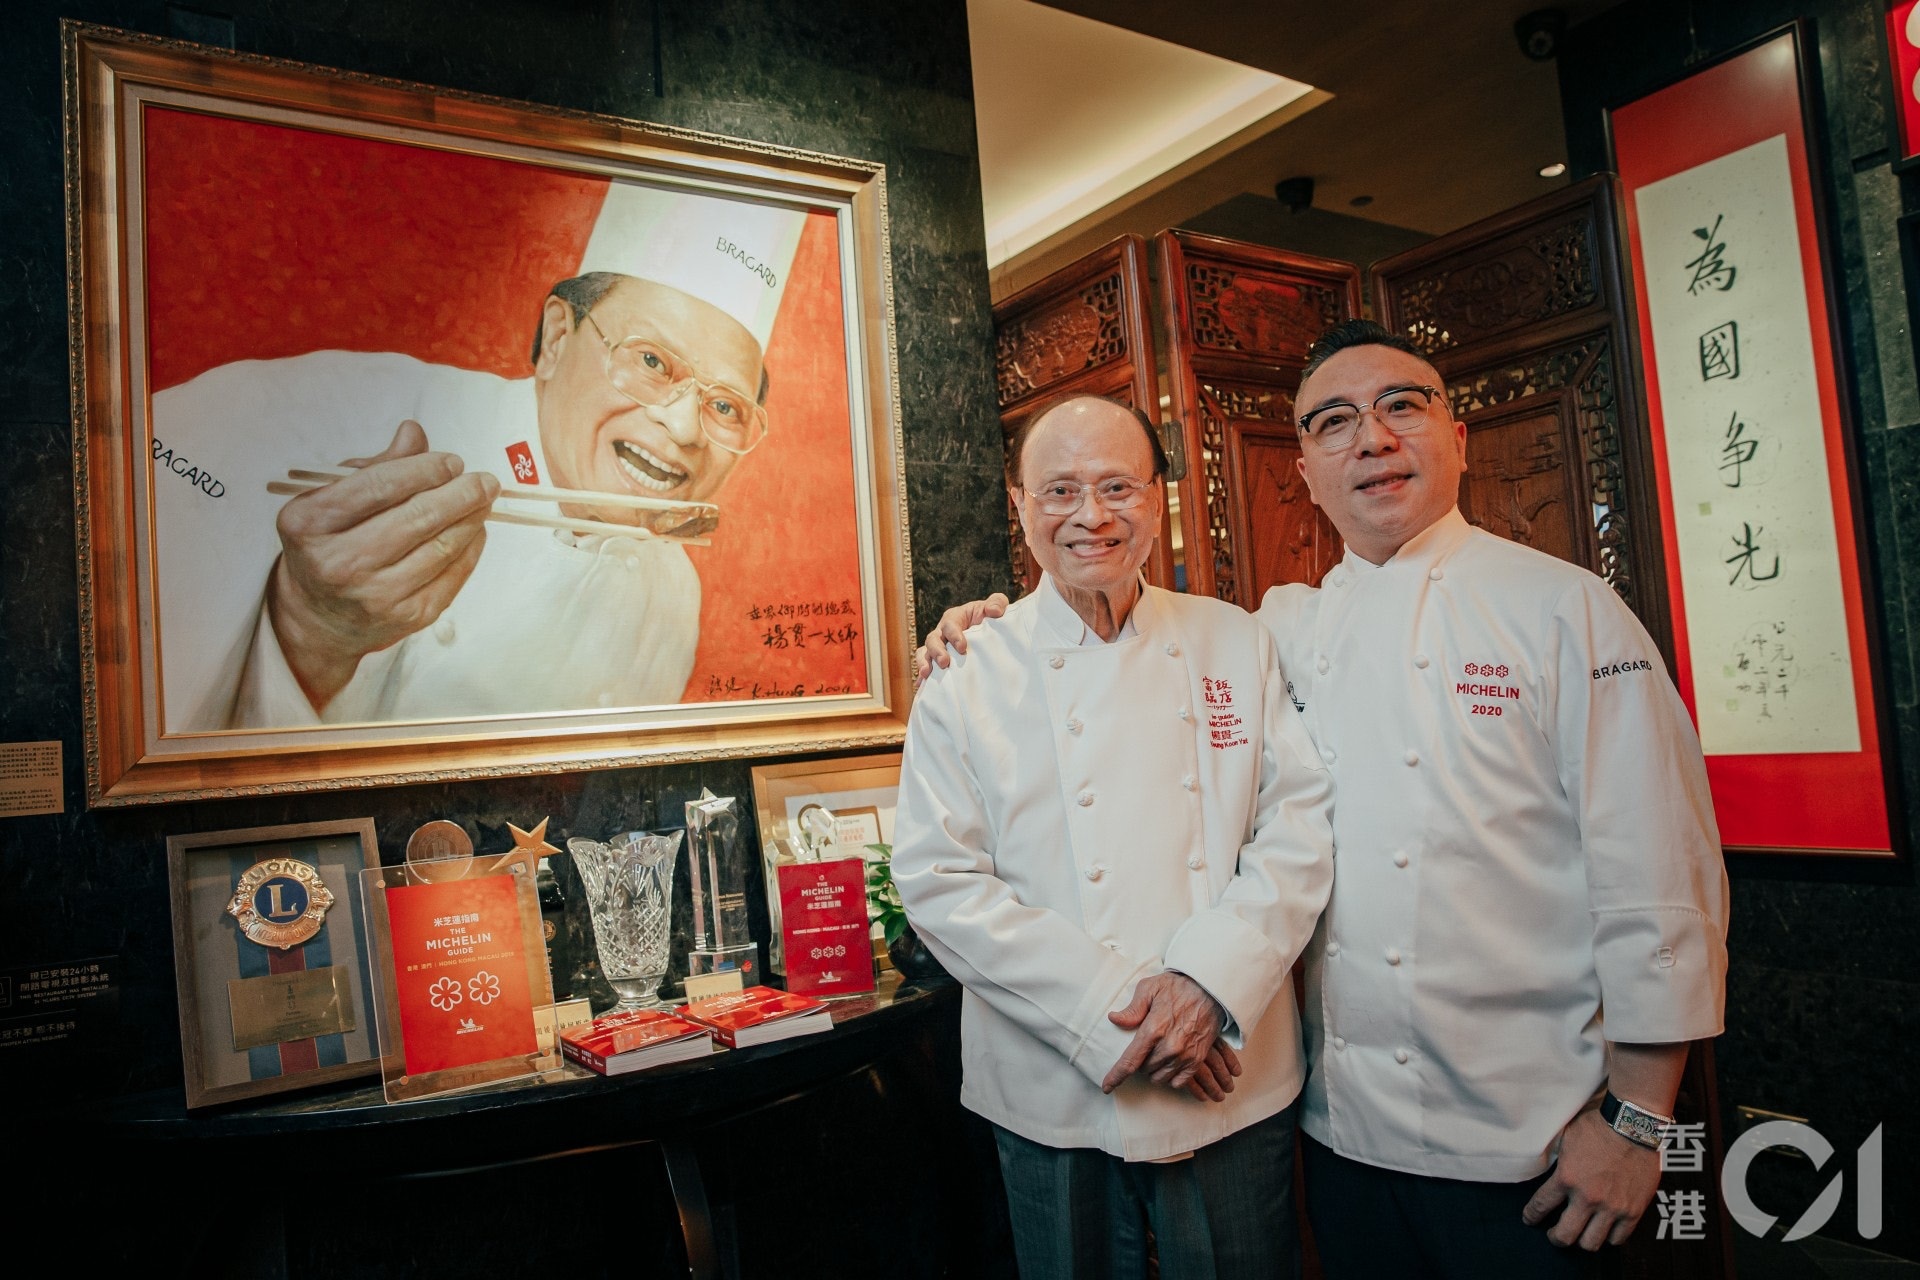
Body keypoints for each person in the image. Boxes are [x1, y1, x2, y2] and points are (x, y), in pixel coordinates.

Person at [919, 321, 1730, 1277]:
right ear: (1303, 466)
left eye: (1402, 408)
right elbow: (946, 874)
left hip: (1540, 1125)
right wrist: (974, 627)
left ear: (1457, 438)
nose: (1373, 441)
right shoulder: (1283, 626)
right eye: (1335, 422)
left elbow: (1659, 870)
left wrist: (1640, 1119)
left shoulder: (1563, 610)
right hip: (1343, 1131)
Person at [892, 393, 1336, 1280]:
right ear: (1019, 506)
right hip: (1055, 1084)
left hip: (1228, 1070)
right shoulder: (966, 673)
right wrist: (1122, 1018)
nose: (1090, 517)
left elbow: (1296, 825)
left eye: (1116, 487)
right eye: (1059, 492)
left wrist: (1208, 986)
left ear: (1158, 498)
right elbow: (943, 883)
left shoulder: (1232, 640)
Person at [151, 183, 806, 730]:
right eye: (653, 362)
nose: (685, 427)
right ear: (555, 338)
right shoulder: (326, 418)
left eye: (725, 407)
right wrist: (308, 628)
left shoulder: (673, 592)